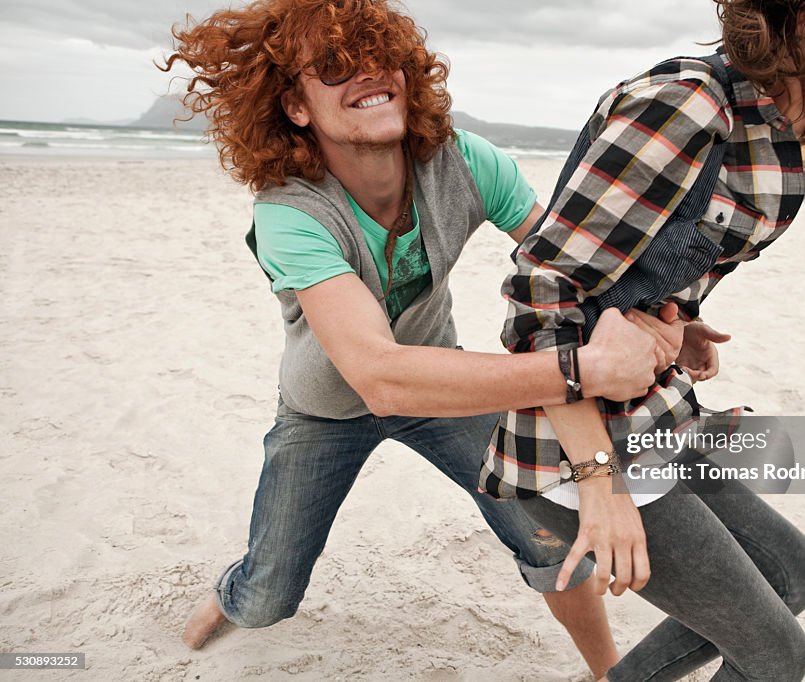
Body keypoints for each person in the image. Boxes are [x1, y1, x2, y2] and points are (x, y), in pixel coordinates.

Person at [161, 0, 686, 676]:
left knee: (547, 534)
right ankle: (232, 594)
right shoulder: (290, 212)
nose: (367, 72)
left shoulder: (466, 163)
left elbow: (575, 272)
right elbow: (379, 375)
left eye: (381, 56)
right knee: (268, 600)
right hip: (325, 410)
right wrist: (584, 369)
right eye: (334, 66)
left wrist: (665, 316)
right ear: (295, 106)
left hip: (443, 388)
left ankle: (608, 670)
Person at [480, 0, 805, 680]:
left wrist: (677, 319)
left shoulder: (762, 125)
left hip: (653, 413)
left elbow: (629, 265)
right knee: (776, 655)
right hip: (579, 445)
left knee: (798, 575)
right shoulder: (685, 104)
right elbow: (541, 295)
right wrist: (602, 485)